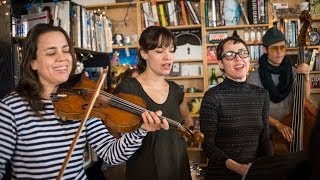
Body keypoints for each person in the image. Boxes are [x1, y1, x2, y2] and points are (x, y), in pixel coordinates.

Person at [0, 23, 169, 179]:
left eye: (66, 50)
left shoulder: (81, 100)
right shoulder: (11, 109)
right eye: (51, 52)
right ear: (32, 62)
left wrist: (140, 130)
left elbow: (111, 154)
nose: (62, 58)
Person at [113, 26, 193, 180]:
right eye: (159, 51)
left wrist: (190, 132)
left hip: (177, 168)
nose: (168, 57)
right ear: (144, 53)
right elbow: (117, 137)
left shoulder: (176, 90)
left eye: (171, 50)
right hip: (144, 170)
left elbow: (187, 122)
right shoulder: (128, 88)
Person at [200, 36, 272, 179]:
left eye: (242, 53)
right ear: (220, 64)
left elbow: (264, 139)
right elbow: (207, 146)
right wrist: (239, 168)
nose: (238, 58)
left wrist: (268, 169)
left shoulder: (262, 95)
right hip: (221, 175)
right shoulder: (212, 97)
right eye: (230, 55)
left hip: (253, 174)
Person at [246, 27, 311, 144]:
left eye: (282, 48)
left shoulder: (294, 72)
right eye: (275, 48)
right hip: (267, 136)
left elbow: (305, 99)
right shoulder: (253, 77)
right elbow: (255, 111)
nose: (279, 52)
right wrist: (278, 124)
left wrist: (306, 78)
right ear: (265, 49)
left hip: (293, 130)